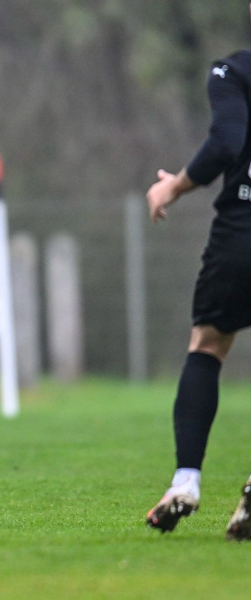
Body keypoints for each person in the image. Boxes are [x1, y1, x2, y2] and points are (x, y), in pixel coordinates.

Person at [145, 8, 251, 540]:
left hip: (242, 232)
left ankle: (186, 481)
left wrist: (175, 185)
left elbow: (227, 141)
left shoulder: (234, 72)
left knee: (208, 345)